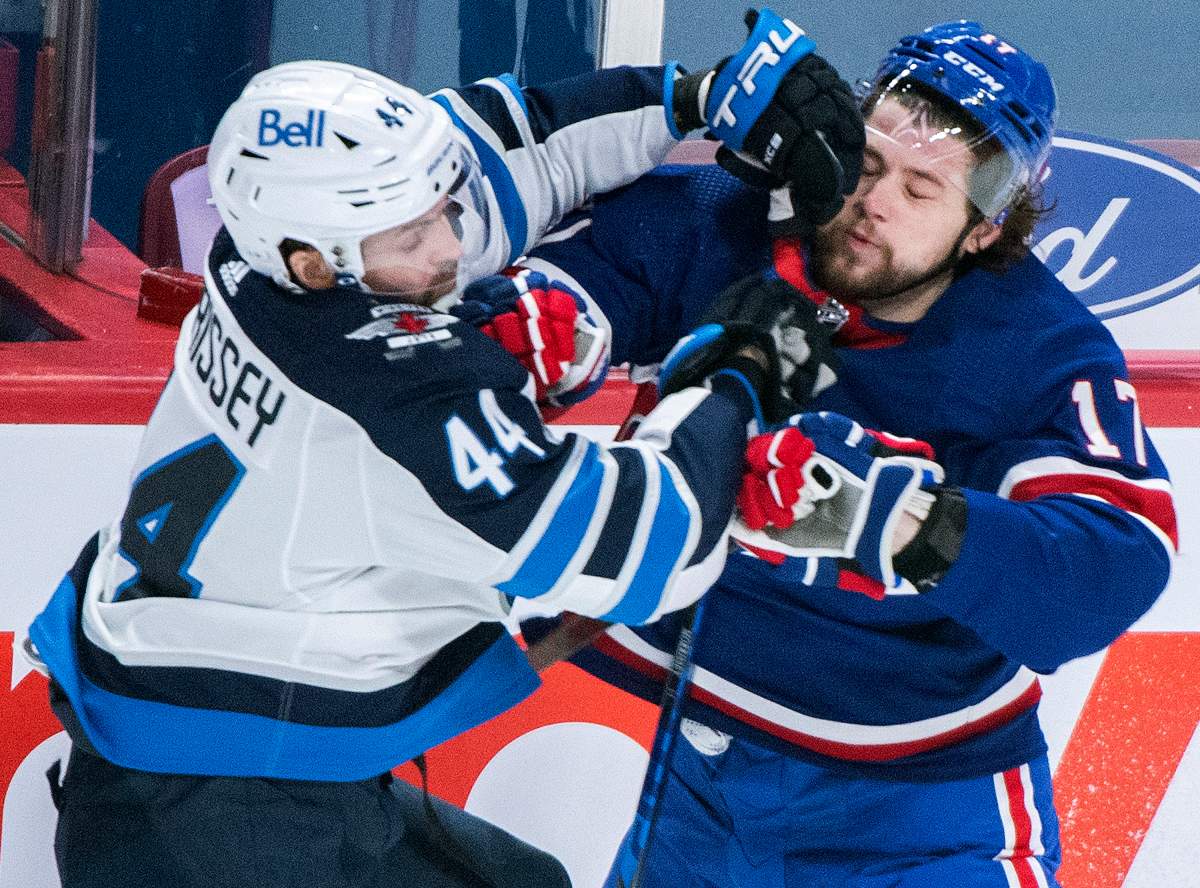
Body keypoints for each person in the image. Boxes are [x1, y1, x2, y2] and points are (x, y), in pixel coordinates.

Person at [23, 23, 866, 887]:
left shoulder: (258, 247)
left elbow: (510, 145)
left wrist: (697, 95)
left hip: (202, 754)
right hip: (219, 827)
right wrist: (735, 376)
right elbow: (650, 548)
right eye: (408, 236)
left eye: (441, 210)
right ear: (315, 264)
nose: (450, 249)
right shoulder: (400, 407)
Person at [516, 21, 1178, 888]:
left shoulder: (1037, 349)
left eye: (921, 188)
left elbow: (1114, 562)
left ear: (983, 229)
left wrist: (902, 524)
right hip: (691, 761)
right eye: (866, 164)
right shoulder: (732, 221)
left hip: (924, 800)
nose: (874, 202)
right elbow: (581, 280)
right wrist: (529, 324)